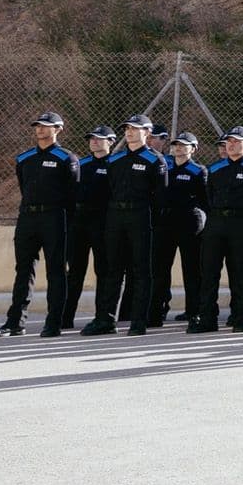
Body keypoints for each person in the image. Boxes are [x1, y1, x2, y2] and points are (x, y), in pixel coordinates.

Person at [0, 112, 80, 338]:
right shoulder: (24, 158)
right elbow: (24, 187)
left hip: (54, 218)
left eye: (46, 126)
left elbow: (72, 195)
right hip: (28, 218)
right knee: (23, 270)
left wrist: (64, 220)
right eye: (38, 126)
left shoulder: (66, 158)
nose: (40, 130)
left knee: (56, 272)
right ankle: (15, 322)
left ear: (58, 129)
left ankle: (53, 323)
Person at [86, 114, 167, 335]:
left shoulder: (155, 161)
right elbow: (109, 189)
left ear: (147, 133)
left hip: (141, 217)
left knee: (141, 271)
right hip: (115, 217)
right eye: (127, 128)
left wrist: (151, 221)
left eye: (135, 128)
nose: (129, 132)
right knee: (112, 270)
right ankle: (106, 320)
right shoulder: (115, 160)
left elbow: (160, 198)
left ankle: (138, 321)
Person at [196, 127, 243, 334]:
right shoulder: (215, 168)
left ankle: (241, 318)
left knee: (240, 272)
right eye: (229, 141)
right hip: (216, 223)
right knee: (209, 272)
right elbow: (208, 196)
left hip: (241, 223)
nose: (231, 144)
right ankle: (207, 318)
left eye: (237, 141)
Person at [62, 125, 114, 331]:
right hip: (79, 222)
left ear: (110, 141)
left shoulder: (115, 164)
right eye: (91, 138)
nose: (93, 141)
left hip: (103, 223)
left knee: (104, 271)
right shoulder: (81, 164)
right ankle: (65, 317)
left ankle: (101, 316)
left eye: (99, 138)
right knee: (74, 271)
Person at [156, 132, 209, 327]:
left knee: (192, 269)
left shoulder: (198, 170)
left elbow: (205, 200)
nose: (178, 147)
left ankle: (193, 311)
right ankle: (158, 310)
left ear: (193, 149)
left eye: (183, 145)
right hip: (166, 222)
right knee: (161, 268)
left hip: (189, 222)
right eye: (176, 144)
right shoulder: (165, 167)